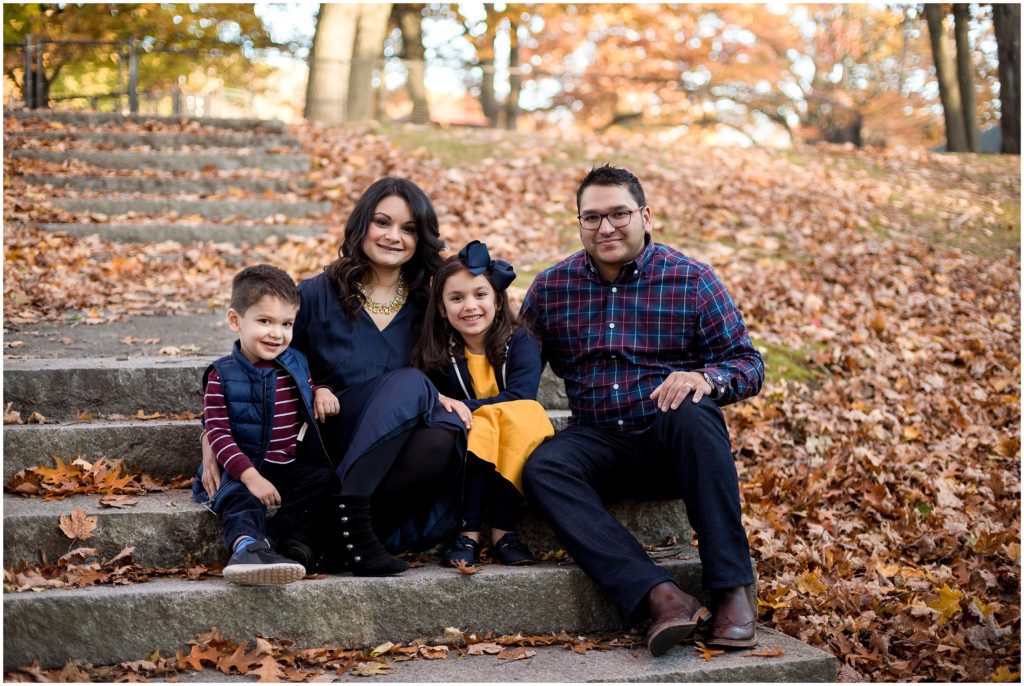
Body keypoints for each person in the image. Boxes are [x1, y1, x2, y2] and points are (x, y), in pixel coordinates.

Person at [519, 164, 765, 655]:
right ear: (579, 223)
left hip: (671, 442)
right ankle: (661, 596)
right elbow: (515, 365)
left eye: (618, 214)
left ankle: (732, 589)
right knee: (544, 466)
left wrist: (704, 378)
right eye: (591, 218)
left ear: (645, 215)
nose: (605, 228)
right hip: (599, 442)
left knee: (694, 412)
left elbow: (749, 365)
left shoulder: (692, 279)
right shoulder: (552, 288)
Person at [202, 177, 465, 577]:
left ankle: (324, 529)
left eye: (409, 229)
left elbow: (454, 372)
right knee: (411, 381)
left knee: (444, 430)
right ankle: (351, 524)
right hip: (326, 440)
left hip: (392, 453)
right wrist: (209, 435)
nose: (394, 236)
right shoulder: (316, 294)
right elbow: (250, 366)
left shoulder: (429, 303)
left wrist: (436, 394)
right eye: (383, 222)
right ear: (361, 225)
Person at [192, 264, 339, 586]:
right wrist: (251, 476)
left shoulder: (296, 361)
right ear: (235, 321)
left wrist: (321, 392)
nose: (277, 333)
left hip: (285, 465)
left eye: (286, 323)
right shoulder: (222, 375)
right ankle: (246, 549)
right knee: (241, 501)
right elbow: (218, 433)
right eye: (264, 321)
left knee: (325, 480)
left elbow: (307, 387)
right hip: (239, 468)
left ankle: (271, 541)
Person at [414, 240, 554, 568]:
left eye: (480, 294)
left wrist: (466, 405)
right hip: (467, 441)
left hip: (517, 436)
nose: (470, 306)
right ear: (442, 307)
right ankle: (469, 531)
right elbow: (429, 396)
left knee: (523, 414)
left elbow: (521, 396)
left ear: (497, 298)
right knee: (482, 423)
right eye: (457, 298)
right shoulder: (439, 351)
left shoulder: (521, 341)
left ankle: (503, 530)